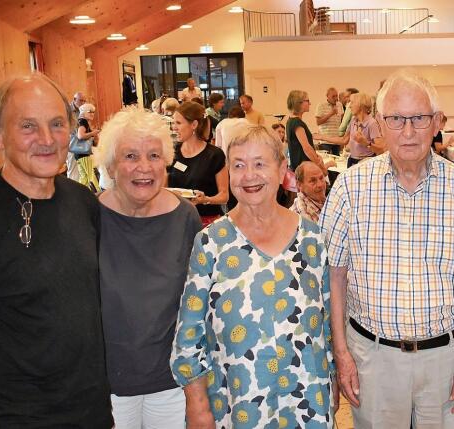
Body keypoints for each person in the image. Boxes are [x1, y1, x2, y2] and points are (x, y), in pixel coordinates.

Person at [320, 69, 454, 429]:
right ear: (380, 125)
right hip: (373, 358)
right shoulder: (349, 188)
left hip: (447, 359)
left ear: (435, 123)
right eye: (396, 119)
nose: (407, 131)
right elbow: (333, 276)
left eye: (418, 119)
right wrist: (341, 354)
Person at [0, 73, 113, 428]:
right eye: (28, 127)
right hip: (8, 418)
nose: (47, 139)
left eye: (56, 124)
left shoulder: (83, 203)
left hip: (89, 414)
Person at [171, 124, 335, 428]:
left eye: (260, 164)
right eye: (239, 165)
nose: (249, 175)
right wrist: (197, 404)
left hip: (306, 403)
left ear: (282, 168)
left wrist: (333, 380)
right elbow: (188, 335)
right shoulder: (211, 242)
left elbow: (325, 326)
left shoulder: (312, 239)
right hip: (237, 405)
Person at [93, 107, 202, 428]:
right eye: (130, 156)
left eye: (154, 155)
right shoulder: (88, 216)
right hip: (104, 383)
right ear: (111, 165)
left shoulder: (185, 218)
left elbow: (199, 306)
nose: (144, 167)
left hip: (169, 381)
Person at [168, 101, 228, 226]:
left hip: (206, 223)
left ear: (194, 124)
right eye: (173, 122)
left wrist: (206, 200)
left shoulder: (214, 155)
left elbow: (224, 195)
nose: (174, 127)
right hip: (176, 220)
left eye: (178, 123)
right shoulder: (172, 151)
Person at [313, 92, 384, 167]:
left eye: (352, 102)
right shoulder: (353, 120)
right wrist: (322, 137)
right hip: (352, 161)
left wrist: (366, 143)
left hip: (365, 164)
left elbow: (380, 150)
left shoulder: (372, 123)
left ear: (360, 105)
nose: (349, 106)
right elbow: (344, 140)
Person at [286, 90, 326, 173]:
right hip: (304, 169)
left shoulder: (291, 121)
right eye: (307, 101)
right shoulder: (297, 123)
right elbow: (307, 148)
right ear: (299, 103)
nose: (310, 103)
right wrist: (320, 166)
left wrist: (316, 156)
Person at [75, 103, 101, 192]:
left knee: (84, 177)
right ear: (84, 112)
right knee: (91, 175)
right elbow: (80, 136)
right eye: (90, 112)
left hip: (78, 154)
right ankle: (98, 194)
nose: (92, 114)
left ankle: (79, 194)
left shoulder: (79, 121)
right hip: (84, 153)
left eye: (93, 112)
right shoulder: (83, 121)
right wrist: (93, 133)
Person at [316, 87, 344, 155]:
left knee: (337, 162)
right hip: (325, 141)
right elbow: (318, 122)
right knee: (326, 161)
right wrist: (331, 113)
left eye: (336, 96)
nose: (335, 98)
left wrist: (342, 138)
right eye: (333, 96)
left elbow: (342, 121)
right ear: (327, 96)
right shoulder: (321, 105)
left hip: (337, 140)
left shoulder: (339, 105)